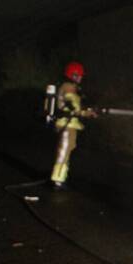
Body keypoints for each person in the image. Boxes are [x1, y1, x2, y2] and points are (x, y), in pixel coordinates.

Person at [50, 61, 98, 189]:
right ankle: (58, 180)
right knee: (64, 151)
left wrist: (87, 111)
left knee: (67, 150)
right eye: (79, 75)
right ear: (74, 75)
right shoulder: (68, 87)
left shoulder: (69, 87)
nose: (81, 78)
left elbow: (74, 108)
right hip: (67, 124)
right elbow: (74, 109)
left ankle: (61, 178)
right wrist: (87, 113)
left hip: (69, 124)